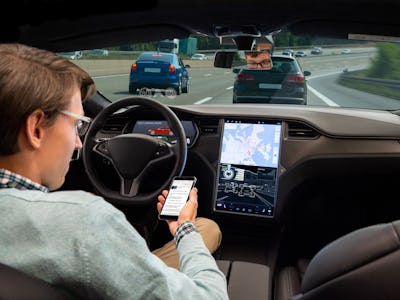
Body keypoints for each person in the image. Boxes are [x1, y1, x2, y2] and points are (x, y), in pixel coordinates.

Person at [0, 43, 228, 299]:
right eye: (77, 125)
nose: (79, 143)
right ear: (36, 129)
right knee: (204, 228)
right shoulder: (84, 220)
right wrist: (184, 226)